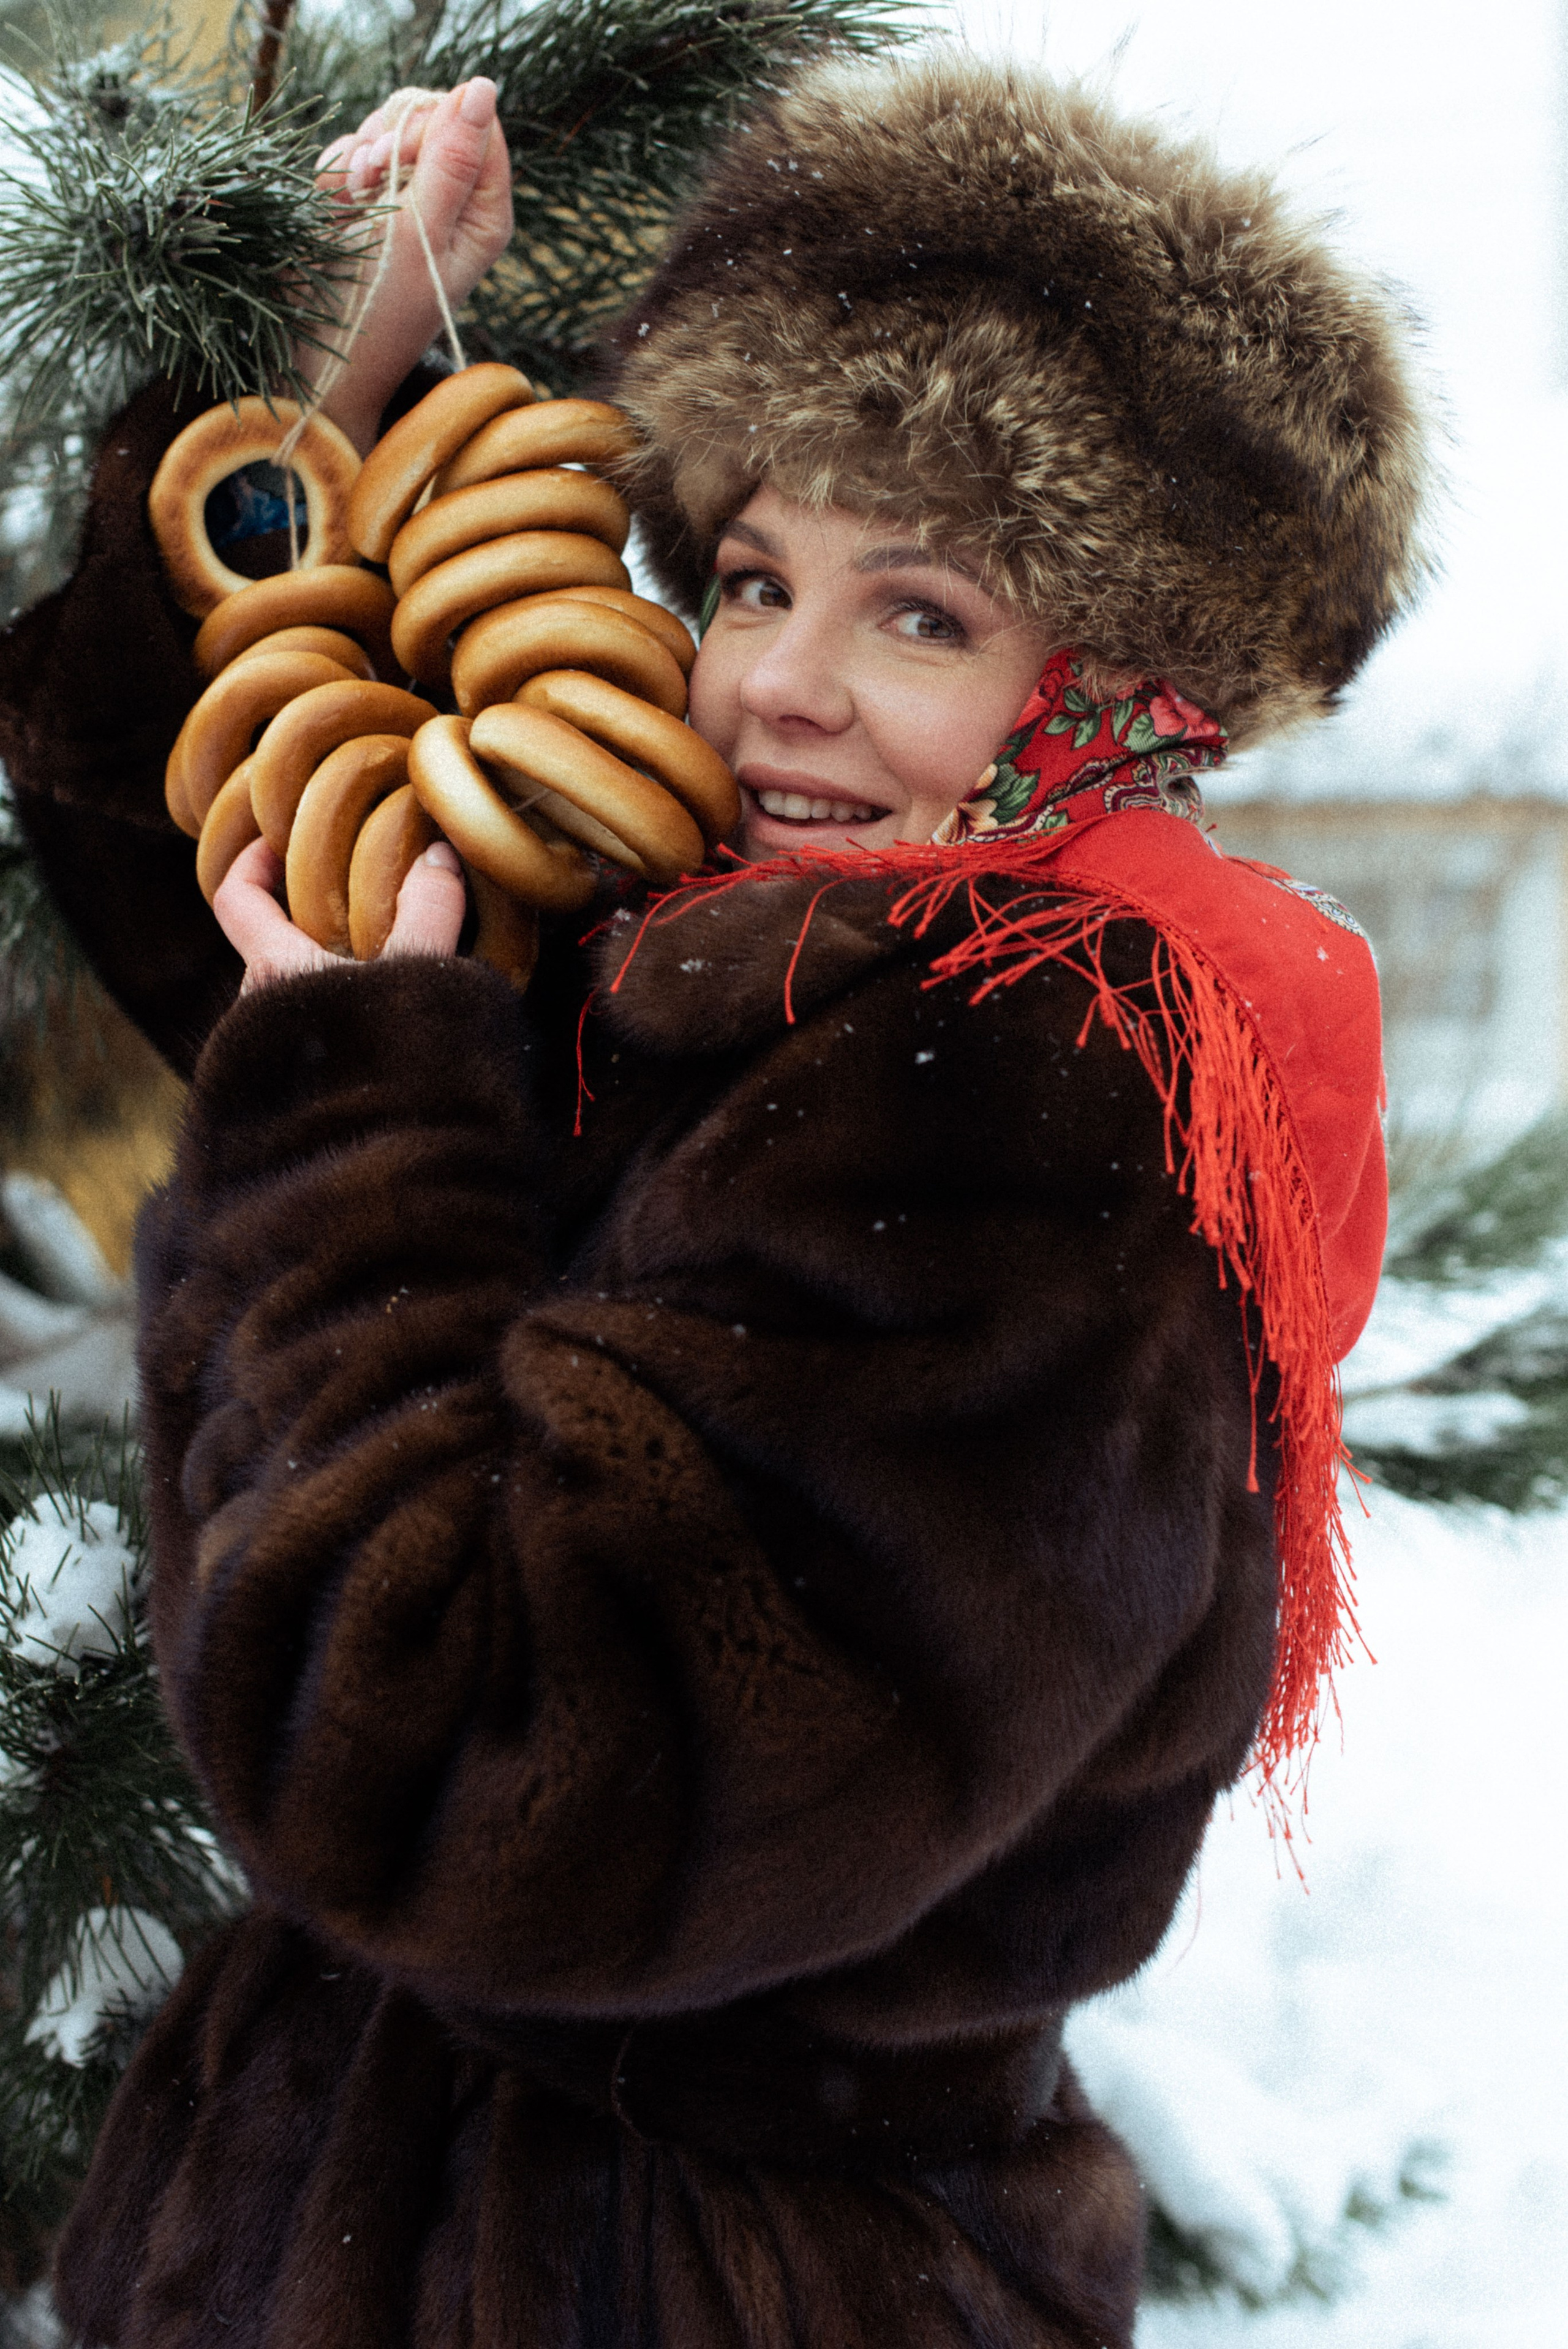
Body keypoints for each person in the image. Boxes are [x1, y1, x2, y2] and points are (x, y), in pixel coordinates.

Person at [0, 51, 1422, 2349]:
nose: (776, 684)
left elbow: (488, 1771)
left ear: (1123, 686)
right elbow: (185, 830)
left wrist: (352, 1108)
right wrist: (339, 362)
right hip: (429, 2206)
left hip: (671, 2278)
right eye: (755, 574)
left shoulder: (1033, 1106)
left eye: (920, 616)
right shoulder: (750, 958)